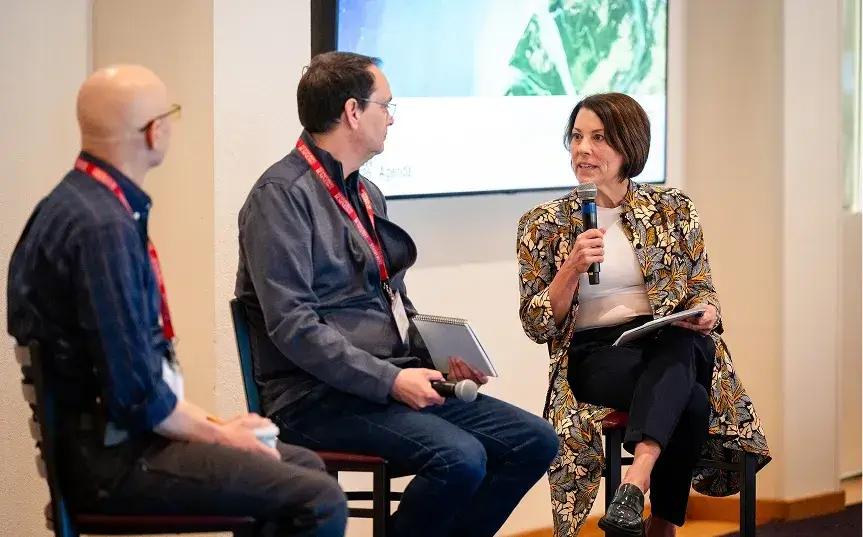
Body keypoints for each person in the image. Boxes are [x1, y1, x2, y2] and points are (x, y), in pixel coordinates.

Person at [7, 64, 347, 537]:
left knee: (300, 463)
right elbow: (137, 397)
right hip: (113, 461)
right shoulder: (101, 228)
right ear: (154, 131)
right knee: (318, 498)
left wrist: (216, 425)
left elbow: (136, 379)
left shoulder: (76, 205)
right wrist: (221, 433)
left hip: (106, 441)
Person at [235, 51, 560, 537]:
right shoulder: (280, 196)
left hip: (387, 380)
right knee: (460, 458)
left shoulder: (367, 193)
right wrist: (390, 381)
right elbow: (293, 325)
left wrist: (440, 358)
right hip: (313, 397)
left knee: (534, 441)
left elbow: (393, 302)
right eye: (385, 105)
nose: (391, 118)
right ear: (352, 112)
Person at [516, 93, 771, 537]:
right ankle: (659, 522)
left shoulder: (673, 209)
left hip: (667, 339)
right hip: (596, 354)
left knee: (686, 340)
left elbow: (701, 285)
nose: (582, 149)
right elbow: (536, 324)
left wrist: (708, 312)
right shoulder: (544, 223)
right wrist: (571, 269)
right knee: (691, 397)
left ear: (628, 145)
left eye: (598, 138)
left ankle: (635, 485)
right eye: (576, 137)